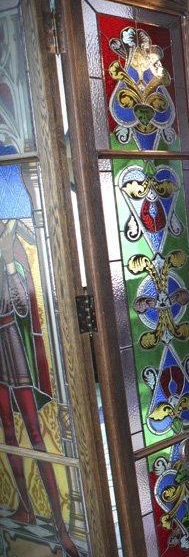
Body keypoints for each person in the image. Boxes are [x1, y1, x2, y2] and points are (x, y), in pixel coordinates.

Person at [0, 168, 80, 556]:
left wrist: (8, 264)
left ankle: (63, 528)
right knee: (7, 432)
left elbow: (22, 303)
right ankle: (26, 508)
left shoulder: (12, 246)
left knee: (33, 430)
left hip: (14, 346)